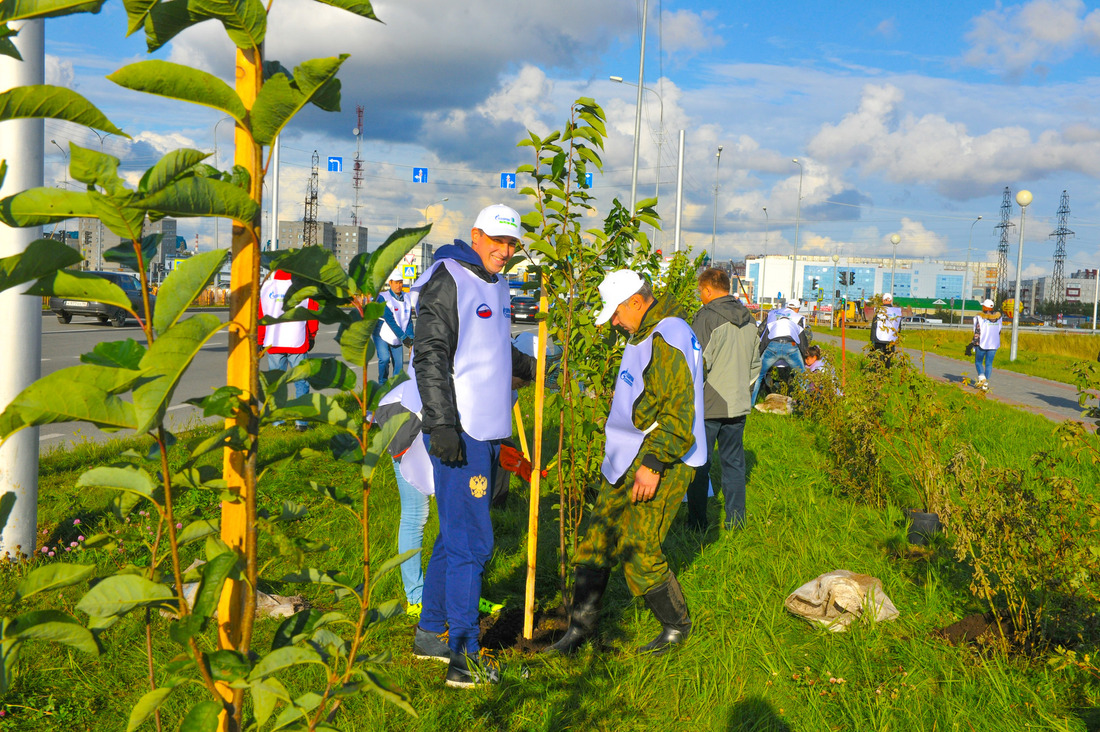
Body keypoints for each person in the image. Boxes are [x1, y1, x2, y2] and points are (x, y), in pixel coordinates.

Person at [402, 203, 537, 689]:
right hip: (460, 429)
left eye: (512, 244)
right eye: (497, 242)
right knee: (472, 542)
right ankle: (465, 657)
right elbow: (431, 354)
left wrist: (536, 370)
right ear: (476, 235)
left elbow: (495, 350)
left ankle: (430, 632)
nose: (505, 251)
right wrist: (442, 424)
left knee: (453, 534)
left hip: (485, 427)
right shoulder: (449, 278)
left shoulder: (497, 284)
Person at [548, 269, 705, 657]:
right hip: (628, 452)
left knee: (639, 545)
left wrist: (653, 464)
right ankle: (580, 628)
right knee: (597, 535)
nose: (614, 322)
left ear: (636, 300)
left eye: (616, 313)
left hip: (662, 455)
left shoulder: (667, 336)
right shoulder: (646, 331)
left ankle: (676, 628)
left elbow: (679, 413)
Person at [685, 268, 761, 532]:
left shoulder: (706, 318)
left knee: (699, 465)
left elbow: (696, 363)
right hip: (738, 403)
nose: (700, 296)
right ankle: (736, 522)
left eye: (700, 291)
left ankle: (696, 524)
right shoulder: (750, 320)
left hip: (708, 404)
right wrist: (742, 390)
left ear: (707, 290)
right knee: (734, 465)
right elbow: (755, 365)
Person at [258, 269, 319, 431]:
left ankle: (277, 422)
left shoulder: (267, 288)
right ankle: (301, 423)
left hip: (273, 342)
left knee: (276, 384)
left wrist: (260, 340)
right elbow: (313, 311)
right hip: (296, 341)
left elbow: (260, 315)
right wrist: (312, 335)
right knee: (302, 382)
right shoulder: (302, 286)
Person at [751, 299, 809, 405]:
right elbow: (802, 342)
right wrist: (805, 358)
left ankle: (750, 404)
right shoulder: (797, 320)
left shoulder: (773, 316)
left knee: (758, 376)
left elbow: (764, 338)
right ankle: (804, 405)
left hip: (773, 346)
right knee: (802, 377)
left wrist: (758, 355)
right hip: (791, 346)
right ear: (797, 309)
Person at [374, 269, 414, 384]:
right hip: (382, 333)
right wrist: (404, 338)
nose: (399, 285)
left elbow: (408, 320)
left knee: (399, 365)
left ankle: (396, 388)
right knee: (384, 359)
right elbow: (390, 320)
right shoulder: (383, 298)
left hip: (397, 334)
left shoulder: (407, 297)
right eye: (396, 282)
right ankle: (382, 384)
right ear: (390, 283)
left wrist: (410, 338)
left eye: (400, 282)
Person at [972, 298, 1003, 391]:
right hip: (994, 344)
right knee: (989, 364)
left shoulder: (979, 317)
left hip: (982, 343)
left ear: (984, 307)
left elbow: (976, 330)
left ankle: (981, 377)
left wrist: (974, 343)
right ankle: (985, 384)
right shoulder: (999, 317)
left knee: (978, 362)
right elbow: (999, 330)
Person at [870, 292, 903, 367]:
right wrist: (897, 338)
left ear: (882, 300)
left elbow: (874, 326)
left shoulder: (879, 310)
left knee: (879, 358)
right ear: (891, 300)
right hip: (891, 339)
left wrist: (872, 340)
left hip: (879, 339)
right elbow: (898, 327)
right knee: (888, 358)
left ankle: (879, 373)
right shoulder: (896, 312)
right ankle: (887, 371)